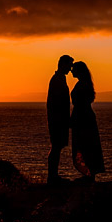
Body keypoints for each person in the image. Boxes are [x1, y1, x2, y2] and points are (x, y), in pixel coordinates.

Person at [70, 61, 105, 181]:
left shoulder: (82, 85)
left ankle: (89, 174)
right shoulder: (84, 84)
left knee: (85, 144)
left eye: (73, 69)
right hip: (84, 117)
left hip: (83, 118)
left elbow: (81, 103)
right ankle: (89, 174)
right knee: (86, 144)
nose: (71, 71)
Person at [47, 54, 74, 184]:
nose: (70, 69)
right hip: (57, 121)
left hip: (59, 120)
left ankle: (53, 175)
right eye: (69, 65)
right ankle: (52, 177)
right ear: (63, 64)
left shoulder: (60, 79)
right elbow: (56, 103)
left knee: (57, 147)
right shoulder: (57, 80)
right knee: (56, 147)